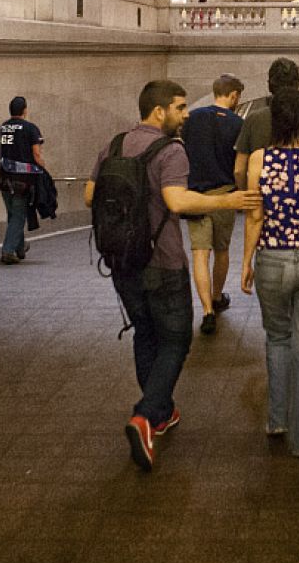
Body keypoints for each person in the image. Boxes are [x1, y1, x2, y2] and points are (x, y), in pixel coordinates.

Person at [84, 80, 258, 471]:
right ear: (159, 111)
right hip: (162, 262)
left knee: (145, 332)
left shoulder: (113, 145)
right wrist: (226, 200)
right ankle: (146, 415)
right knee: (176, 340)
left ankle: (160, 412)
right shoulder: (170, 150)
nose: (184, 115)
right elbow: (176, 201)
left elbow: (90, 196)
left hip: (123, 262)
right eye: (179, 108)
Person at [240, 88, 299, 458]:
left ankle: (276, 419)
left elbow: (255, 217)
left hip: (273, 259)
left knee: (277, 338)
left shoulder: (258, 160)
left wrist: (246, 261)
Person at [182, 74, 246, 336]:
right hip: (224, 195)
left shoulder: (192, 118)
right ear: (232, 95)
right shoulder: (237, 123)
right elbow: (239, 165)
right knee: (221, 250)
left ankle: (206, 309)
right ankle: (218, 296)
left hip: (196, 195)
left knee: (199, 253)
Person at [233, 57, 299, 189]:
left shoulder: (253, 119)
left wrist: (247, 196)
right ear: (298, 84)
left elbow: (239, 170)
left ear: (270, 84)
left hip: (263, 198)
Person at [0, 96, 45, 265]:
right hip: (23, 181)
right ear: (25, 110)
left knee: (13, 214)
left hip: (4, 180)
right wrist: (43, 170)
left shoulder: (0, 129)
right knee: (19, 216)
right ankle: (8, 251)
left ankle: (19, 248)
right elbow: (36, 154)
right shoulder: (30, 128)